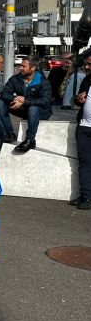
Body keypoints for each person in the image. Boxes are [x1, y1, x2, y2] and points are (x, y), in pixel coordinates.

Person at [0, 56, 53, 152]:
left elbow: (45, 101)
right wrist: (15, 98)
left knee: (33, 108)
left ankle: (29, 140)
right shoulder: (15, 79)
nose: (20, 68)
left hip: (42, 111)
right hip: (24, 109)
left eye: (23, 66)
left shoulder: (43, 81)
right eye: (20, 66)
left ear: (33, 68)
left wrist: (24, 102)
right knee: (1, 103)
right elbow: (4, 93)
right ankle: (10, 133)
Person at [70, 55, 91, 210]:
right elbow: (77, 100)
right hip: (84, 127)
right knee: (84, 163)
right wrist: (78, 99)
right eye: (86, 64)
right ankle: (86, 196)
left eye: (90, 64)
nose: (87, 67)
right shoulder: (87, 79)